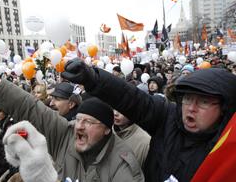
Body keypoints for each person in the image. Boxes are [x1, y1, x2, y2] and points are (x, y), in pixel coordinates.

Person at [0, 56, 145, 182]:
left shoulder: (124, 166)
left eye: (88, 122)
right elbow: (30, 108)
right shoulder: (66, 135)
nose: (79, 127)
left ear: (107, 129)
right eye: (79, 119)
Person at [59, 58, 236, 181]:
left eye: (203, 102)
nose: (191, 108)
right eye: (187, 99)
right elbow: (131, 98)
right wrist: (93, 79)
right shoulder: (166, 117)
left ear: (224, 108)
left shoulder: (228, 153)